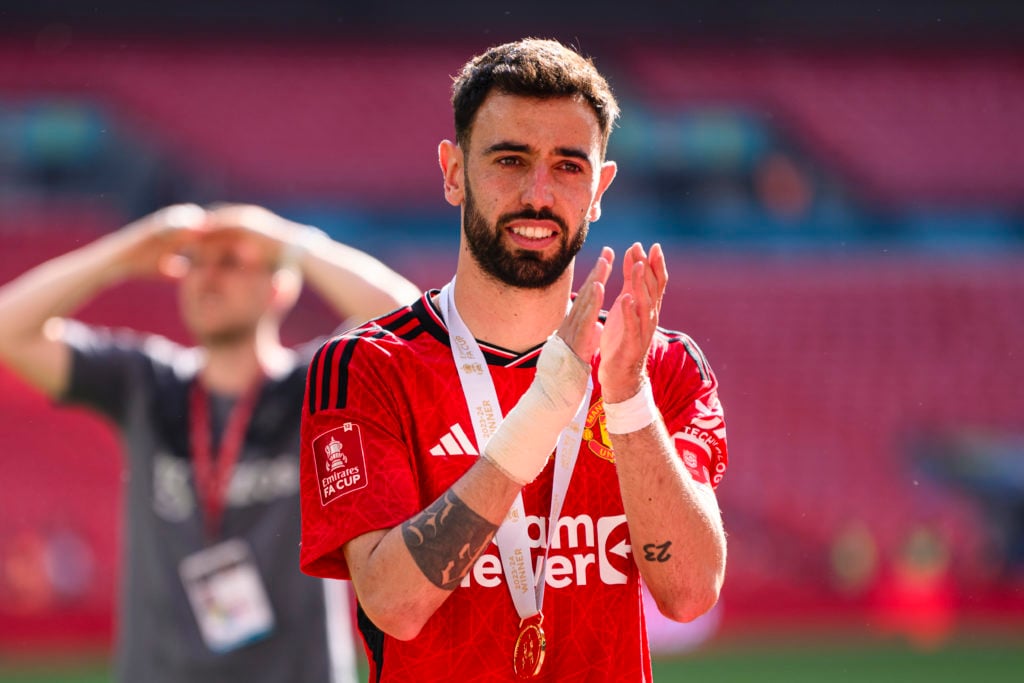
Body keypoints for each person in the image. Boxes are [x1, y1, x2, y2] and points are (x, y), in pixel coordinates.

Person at [298, 38, 729, 682]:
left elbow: (690, 593)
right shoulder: (366, 366)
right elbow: (393, 605)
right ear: (452, 171)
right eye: (509, 159)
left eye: (568, 166)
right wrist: (545, 408)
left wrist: (629, 399)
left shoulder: (657, 366)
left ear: (600, 186)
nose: (537, 194)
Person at [0, 203, 420, 682]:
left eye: (231, 262)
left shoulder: (316, 387)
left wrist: (291, 242)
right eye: (195, 263)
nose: (207, 278)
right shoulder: (147, 383)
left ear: (278, 287)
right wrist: (120, 255)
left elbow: (408, 322)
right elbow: (8, 330)